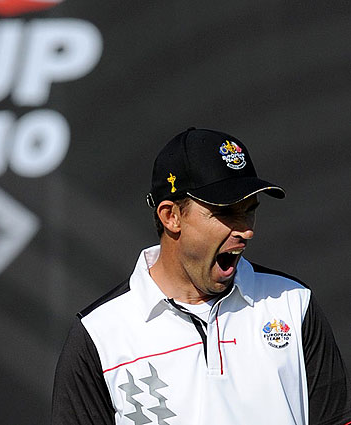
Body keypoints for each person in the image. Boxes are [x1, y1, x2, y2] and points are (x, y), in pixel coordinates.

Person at [51, 128, 351, 425]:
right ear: (171, 216)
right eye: (226, 212)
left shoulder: (293, 303)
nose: (247, 230)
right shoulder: (99, 334)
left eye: (249, 211)